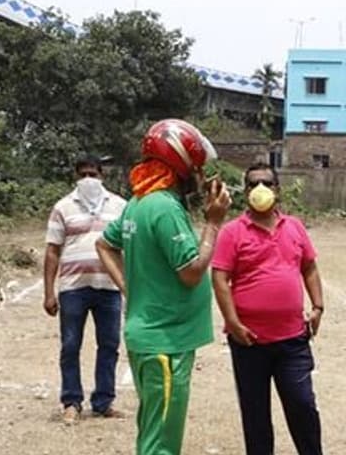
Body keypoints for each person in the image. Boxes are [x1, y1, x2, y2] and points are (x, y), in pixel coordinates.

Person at [96, 119, 230, 455]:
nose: (201, 176)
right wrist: (213, 223)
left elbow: (105, 245)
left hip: (152, 336)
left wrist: (130, 288)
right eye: (198, 168)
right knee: (162, 444)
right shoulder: (165, 208)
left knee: (152, 433)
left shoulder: (139, 202)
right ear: (182, 165)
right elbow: (191, 271)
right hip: (166, 344)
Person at [211, 162, 325, 455]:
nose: (260, 189)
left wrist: (318, 306)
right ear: (245, 191)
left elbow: (309, 267)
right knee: (255, 416)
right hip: (249, 341)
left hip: (293, 340)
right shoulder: (232, 232)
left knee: (302, 407)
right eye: (253, 184)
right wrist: (232, 323)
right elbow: (220, 278)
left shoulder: (295, 227)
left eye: (267, 183)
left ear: (277, 190)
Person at [43, 154, 127, 425]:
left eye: (93, 173)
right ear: (76, 177)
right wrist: (48, 292)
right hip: (73, 288)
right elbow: (53, 251)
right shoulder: (63, 207)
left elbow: (131, 247)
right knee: (70, 346)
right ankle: (71, 401)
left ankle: (103, 402)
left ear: (102, 175)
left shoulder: (120, 206)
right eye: (83, 174)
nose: (88, 179)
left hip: (109, 287)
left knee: (110, 345)